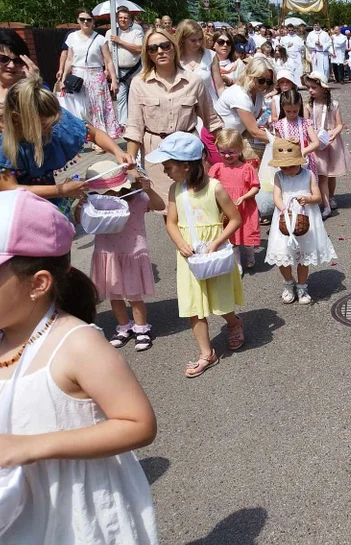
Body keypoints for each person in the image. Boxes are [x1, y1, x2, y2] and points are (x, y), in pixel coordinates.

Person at [0, 188, 161, 545]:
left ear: (38, 283)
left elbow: (137, 423)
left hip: (78, 515)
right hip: (18, 515)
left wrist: (30, 446)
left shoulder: (77, 344)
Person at [149, 132, 244, 377]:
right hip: (189, 257)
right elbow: (170, 222)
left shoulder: (215, 187)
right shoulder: (174, 190)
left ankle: (233, 322)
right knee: (194, 305)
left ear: (186, 166)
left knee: (219, 300)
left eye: (168, 166)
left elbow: (235, 219)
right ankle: (206, 353)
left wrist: (217, 241)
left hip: (214, 253)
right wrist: (180, 243)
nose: (165, 171)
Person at [1, 76, 131, 216]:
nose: (51, 129)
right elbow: (12, 190)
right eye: (44, 125)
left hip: (50, 204)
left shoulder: (51, 120)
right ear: (17, 118)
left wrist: (118, 152)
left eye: (54, 123)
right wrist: (61, 190)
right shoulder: (3, 145)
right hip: (19, 214)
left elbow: (93, 133)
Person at [125, 29, 222, 207]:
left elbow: (212, 120)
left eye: (164, 45)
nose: (160, 51)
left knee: (197, 206)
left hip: (189, 154)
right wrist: (130, 160)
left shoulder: (194, 81)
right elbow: (134, 126)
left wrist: (230, 151)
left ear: (174, 48)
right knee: (168, 209)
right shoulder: (139, 83)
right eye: (153, 48)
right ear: (147, 54)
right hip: (158, 155)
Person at [76, 160, 165, 351]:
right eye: (105, 192)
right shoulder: (94, 204)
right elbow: (79, 221)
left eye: (114, 190)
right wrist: (80, 205)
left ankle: (141, 329)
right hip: (107, 254)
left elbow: (159, 205)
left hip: (132, 253)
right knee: (114, 295)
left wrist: (148, 190)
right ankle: (124, 327)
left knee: (134, 296)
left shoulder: (137, 198)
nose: (112, 194)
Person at [264, 138, 336, 305]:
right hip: (285, 217)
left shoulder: (308, 175)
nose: (288, 170)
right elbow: (276, 197)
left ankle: (302, 286)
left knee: (303, 254)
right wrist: (284, 210)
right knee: (282, 253)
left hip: (305, 216)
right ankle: (289, 283)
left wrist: (308, 199)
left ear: (299, 162)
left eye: (291, 165)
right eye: (284, 167)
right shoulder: (278, 177)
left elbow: (317, 197)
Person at [58, 8, 120, 138]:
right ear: (78, 21)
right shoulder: (72, 37)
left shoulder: (100, 39)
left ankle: (100, 139)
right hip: (77, 77)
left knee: (97, 109)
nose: (85, 22)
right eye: (82, 19)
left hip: (96, 77)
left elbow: (108, 61)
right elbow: (69, 60)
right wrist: (63, 79)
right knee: (80, 109)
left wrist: (114, 80)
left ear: (93, 22)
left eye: (88, 19)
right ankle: (82, 137)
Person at [209, 129, 261, 270]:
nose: (227, 155)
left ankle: (250, 255)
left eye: (231, 152)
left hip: (245, 208)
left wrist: (244, 196)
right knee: (232, 239)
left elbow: (255, 187)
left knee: (247, 237)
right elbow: (210, 186)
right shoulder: (217, 168)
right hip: (226, 209)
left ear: (240, 149)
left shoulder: (247, 168)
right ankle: (237, 264)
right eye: (223, 152)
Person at [305, 72, 351, 217]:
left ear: (323, 88)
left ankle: (331, 196)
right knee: (322, 173)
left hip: (331, 141)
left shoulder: (333, 105)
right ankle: (325, 203)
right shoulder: (308, 106)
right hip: (316, 142)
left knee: (331, 174)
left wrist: (334, 133)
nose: (310, 90)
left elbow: (339, 124)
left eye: (313, 87)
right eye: (309, 88)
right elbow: (307, 124)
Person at [211, 56, 273, 162]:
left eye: (269, 82)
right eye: (261, 80)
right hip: (216, 140)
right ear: (250, 76)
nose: (265, 85)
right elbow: (254, 131)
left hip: (232, 141)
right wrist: (279, 141)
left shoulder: (258, 94)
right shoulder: (240, 95)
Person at [105, 6, 144, 133]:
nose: (123, 20)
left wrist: (120, 41)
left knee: (135, 97)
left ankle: (137, 121)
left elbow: (139, 49)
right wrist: (107, 69)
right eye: (120, 17)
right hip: (118, 70)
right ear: (116, 19)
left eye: (126, 18)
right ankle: (124, 124)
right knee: (120, 98)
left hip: (134, 70)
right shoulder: (110, 32)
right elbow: (106, 53)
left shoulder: (137, 31)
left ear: (130, 19)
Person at [177, 19, 224, 106]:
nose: (198, 43)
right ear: (183, 39)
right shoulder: (174, 58)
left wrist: (224, 105)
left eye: (200, 39)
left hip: (210, 106)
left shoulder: (210, 55)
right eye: (193, 40)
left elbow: (219, 86)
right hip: (183, 109)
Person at [0, 29, 40, 111]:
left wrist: (34, 86)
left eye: (18, 61)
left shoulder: (35, 90)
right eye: (4, 59)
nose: (11, 65)